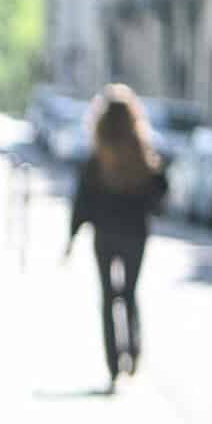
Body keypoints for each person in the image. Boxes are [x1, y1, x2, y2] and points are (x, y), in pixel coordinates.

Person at [64, 84, 168, 392]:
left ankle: (114, 363)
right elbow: (159, 191)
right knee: (130, 293)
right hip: (135, 233)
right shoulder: (142, 153)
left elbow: (82, 200)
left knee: (109, 297)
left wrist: (71, 237)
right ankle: (133, 351)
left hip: (106, 235)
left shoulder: (98, 158)